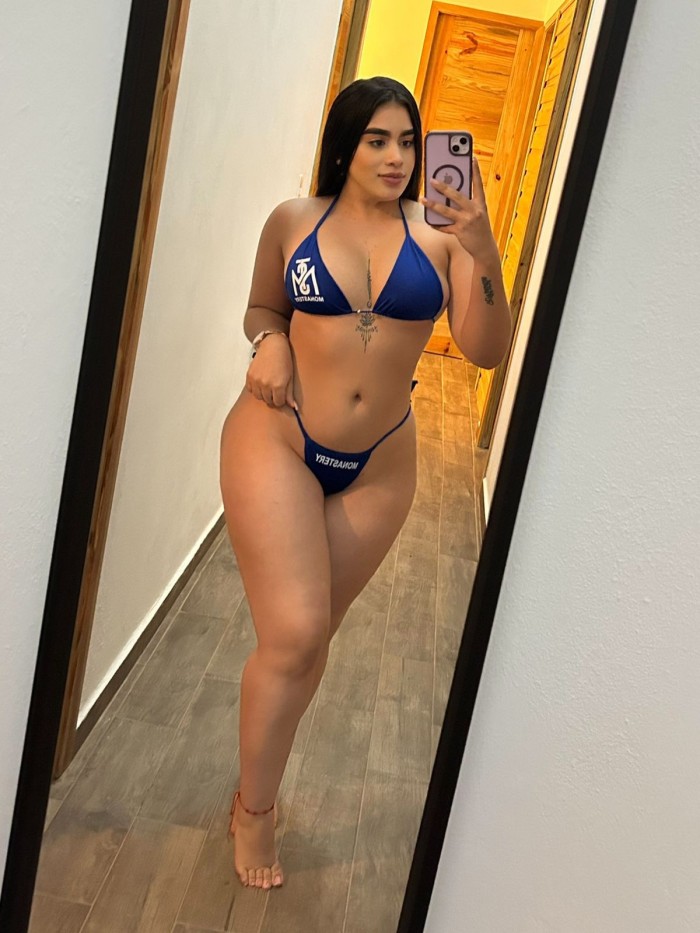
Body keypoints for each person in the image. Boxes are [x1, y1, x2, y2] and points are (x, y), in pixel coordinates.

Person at [219, 76, 511, 890]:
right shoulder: (294, 220)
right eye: (377, 139)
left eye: (409, 141)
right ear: (345, 144)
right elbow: (260, 308)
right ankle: (253, 809)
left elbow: (487, 348)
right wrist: (271, 341)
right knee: (294, 634)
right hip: (277, 436)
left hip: (378, 465)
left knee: (310, 643)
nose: (396, 156)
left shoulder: (444, 236)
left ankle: (256, 781)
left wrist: (484, 246)